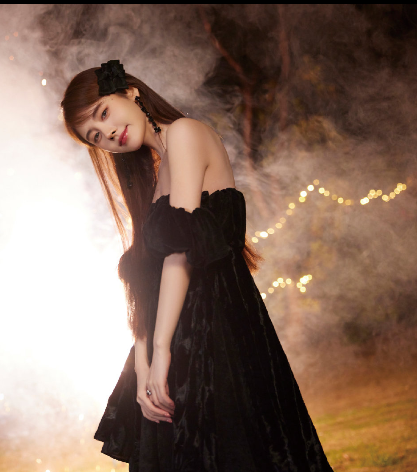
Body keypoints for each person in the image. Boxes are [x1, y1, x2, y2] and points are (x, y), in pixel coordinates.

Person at [60, 60, 334, 472]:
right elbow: (148, 280)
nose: (108, 133)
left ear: (130, 93)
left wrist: (161, 351)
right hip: (177, 329)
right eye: (95, 136)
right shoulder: (154, 175)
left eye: (103, 113)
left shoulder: (185, 134)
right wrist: (141, 363)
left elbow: (180, 252)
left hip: (216, 329)